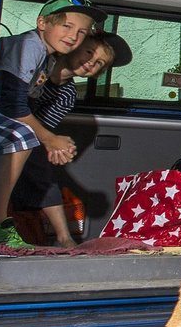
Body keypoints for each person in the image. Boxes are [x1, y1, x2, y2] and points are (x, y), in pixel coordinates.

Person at [0, 0, 104, 249]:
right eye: (66, 26)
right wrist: (49, 139)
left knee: (28, 140)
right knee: (22, 137)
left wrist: (53, 142)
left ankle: (57, 237)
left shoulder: (46, 60)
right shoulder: (30, 46)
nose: (73, 36)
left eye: (82, 32)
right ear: (42, 23)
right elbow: (12, 104)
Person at [10, 32, 130, 247]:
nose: (90, 62)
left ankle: (64, 237)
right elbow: (14, 104)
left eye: (98, 63)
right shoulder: (39, 63)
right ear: (75, 47)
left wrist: (56, 147)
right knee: (33, 151)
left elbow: (44, 126)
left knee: (40, 161)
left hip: (30, 131)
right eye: (89, 52)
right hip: (10, 121)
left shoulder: (66, 94)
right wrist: (51, 141)